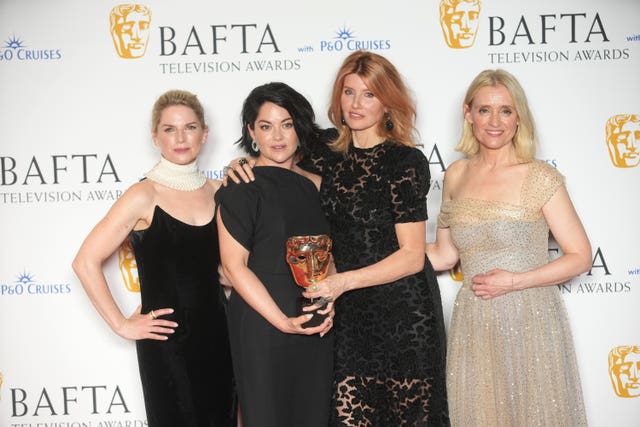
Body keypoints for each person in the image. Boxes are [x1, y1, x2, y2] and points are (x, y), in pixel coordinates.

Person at [226, 51, 450, 426]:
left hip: (403, 314)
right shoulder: (327, 153)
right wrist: (241, 164)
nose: (356, 104)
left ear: (388, 102)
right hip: (345, 318)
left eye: (369, 94)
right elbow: (276, 155)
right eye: (349, 92)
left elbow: (412, 256)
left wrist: (340, 283)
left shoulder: (405, 162)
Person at [426, 69, 590, 425]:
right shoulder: (455, 175)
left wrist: (514, 281)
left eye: (506, 110)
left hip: (530, 316)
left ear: (519, 118)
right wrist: (377, 250)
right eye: (485, 110)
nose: (494, 121)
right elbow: (444, 254)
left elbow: (580, 256)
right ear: (468, 114)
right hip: (475, 321)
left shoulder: (539, 176)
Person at [72, 89, 236, 426]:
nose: (180, 138)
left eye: (189, 128)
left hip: (221, 335)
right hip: (166, 342)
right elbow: (84, 261)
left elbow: (228, 266)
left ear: (204, 134)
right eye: (169, 129)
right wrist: (120, 324)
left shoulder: (221, 192)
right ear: (155, 137)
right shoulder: (142, 195)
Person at [215, 82, 335, 427]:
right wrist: (282, 321)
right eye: (265, 126)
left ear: (300, 127)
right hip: (262, 322)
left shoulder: (316, 184)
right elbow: (233, 267)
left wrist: (330, 299)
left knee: (312, 415)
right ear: (251, 131)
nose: (277, 136)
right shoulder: (241, 184)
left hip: (316, 321)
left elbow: (326, 252)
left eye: (287, 124)